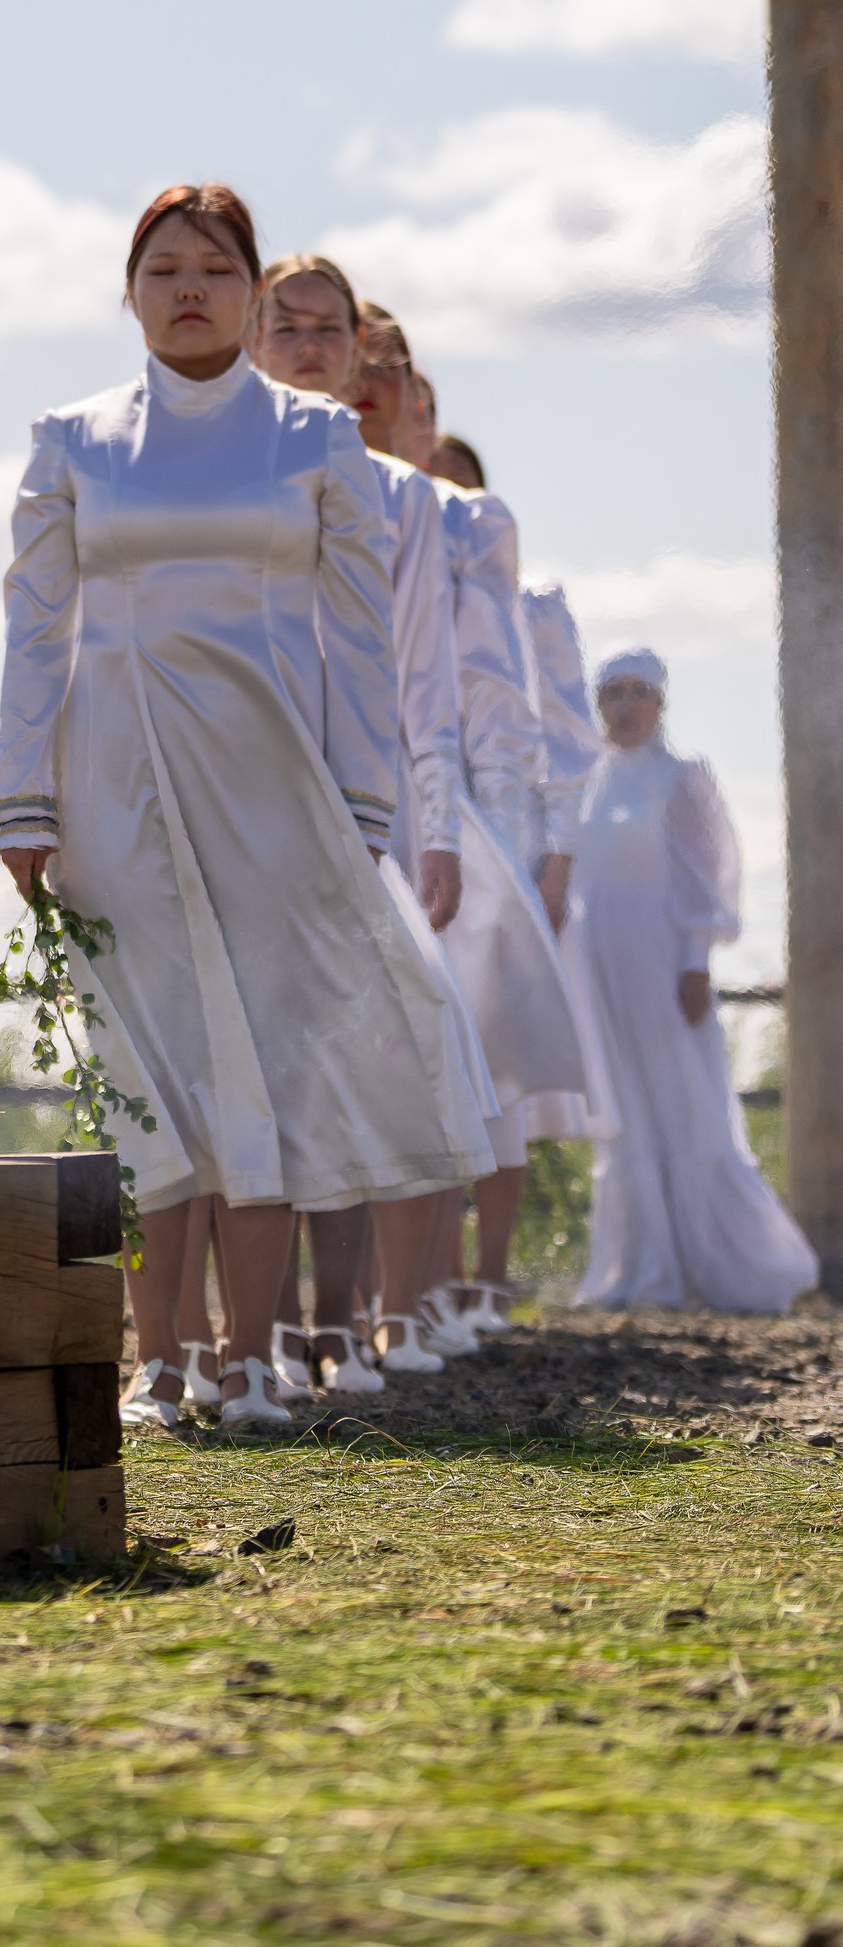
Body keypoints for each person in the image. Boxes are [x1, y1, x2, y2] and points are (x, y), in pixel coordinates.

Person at [0, 185, 492, 1437]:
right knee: (152, 1072)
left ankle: (254, 1353)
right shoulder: (72, 437)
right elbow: (33, 628)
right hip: (114, 783)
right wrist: (25, 799)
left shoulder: (313, 438)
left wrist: (364, 802)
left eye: (214, 268)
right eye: (161, 267)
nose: (187, 289)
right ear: (127, 290)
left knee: (267, 1065)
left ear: (251, 287)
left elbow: (360, 634)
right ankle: (157, 1360)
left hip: (277, 787)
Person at [247, 254, 479, 1395]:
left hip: (357, 807)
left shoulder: (406, 501)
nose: (305, 347)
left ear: (356, 352)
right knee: (245, 1061)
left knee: (347, 1058)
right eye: (282, 328)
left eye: (326, 332)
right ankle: (249, 1328)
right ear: (251, 339)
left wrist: (425, 828)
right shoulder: (222, 472)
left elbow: (423, 684)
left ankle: (333, 1326)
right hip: (236, 791)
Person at [367, 318, 587, 1347]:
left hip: (454, 800)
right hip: (364, 780)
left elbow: (501, 690)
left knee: (481, 1050)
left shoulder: (464, 520)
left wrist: (515, 831)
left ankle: (478, 1279)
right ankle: (405, 1286)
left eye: (392, 378)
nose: (376, 392)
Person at [575, 650, 814, 1313]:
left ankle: (725, 1265)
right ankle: (639, 1267)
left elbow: (705, 875)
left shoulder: (679, 778)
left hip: (659, 964)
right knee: (626, 1112)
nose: (624, 706)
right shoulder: (590, 781)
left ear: (659, 703)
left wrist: (692, 962)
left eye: (637, 693)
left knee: (681, 1104)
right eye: (612, 693)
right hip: (600, 975)